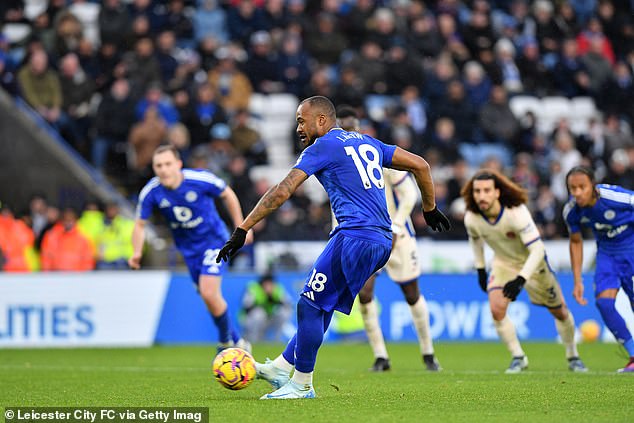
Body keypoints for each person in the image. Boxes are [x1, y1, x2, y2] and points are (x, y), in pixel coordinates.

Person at [216, 96, 450, 399]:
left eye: (302, 120)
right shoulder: (369, 143)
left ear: (322, 120)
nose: (298, 127)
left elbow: (282, 191)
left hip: (354, 236)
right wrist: (429, 208)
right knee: (320, 306)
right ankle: (280, 367)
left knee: (308, 304)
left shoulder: (323, 146)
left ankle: (301, 384)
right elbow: (421, 164)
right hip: (381, 240)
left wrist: (243, 228)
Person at [336, 105, 440, 372]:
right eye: (342, 127)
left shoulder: (372, 153)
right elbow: (337, 204)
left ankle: (428, 353)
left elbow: (408, 194)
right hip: (364, 237)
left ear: (357, 127)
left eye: (350, 126)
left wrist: (395, 227)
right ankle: (381, 357)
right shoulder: (335, 160)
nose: (346, 131)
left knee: (411, 294)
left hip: (397, 236)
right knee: (365, 292)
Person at [461, 169, 587, 373]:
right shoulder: (472, 218)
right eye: (477, 191)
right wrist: (481, 269)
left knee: (560, 311)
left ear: (497, 193)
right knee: (496, 309)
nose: (481, 196)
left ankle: (573, 355)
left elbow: (538, 249)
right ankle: (518, 357)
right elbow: (475, 240)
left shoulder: (516, 212)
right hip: (503, 263)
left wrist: (521, 279)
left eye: (486, 190)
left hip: (534, 264)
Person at [129, 145, 252, 352]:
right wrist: (136, 252)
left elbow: (227, 194)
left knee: (208, 291)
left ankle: (225, 344)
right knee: (209, 297)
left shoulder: (200, 180)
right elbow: (139, 224)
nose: (163, 169)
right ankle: (238, 341)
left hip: (215, 242)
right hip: (189, 251)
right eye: (158, 165)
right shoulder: (151, 192)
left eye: (168, 164)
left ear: (178, 164)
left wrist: (242, 228)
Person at [563, 166, 634, 373]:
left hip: (631, 249)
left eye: (581, 187)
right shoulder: (572, 212)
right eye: (572, 188)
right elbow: (575, 242)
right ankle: (633, 355)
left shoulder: (614, 197)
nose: (577, 193)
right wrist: (577, 281)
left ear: (593, 186)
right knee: (604, 303)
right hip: (607, 255)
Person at [241, 273, 292, 342]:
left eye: (270, 283)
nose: (268, 286)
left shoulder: (277, 289)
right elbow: (246, 307)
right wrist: (263, 301)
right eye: (266, 283)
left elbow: (288, 304)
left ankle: (277, 340)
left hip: (269, 319)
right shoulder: (254, 288)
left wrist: (273, 298)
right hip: (250, 320)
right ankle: (253, 341)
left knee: (283, 312)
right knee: (259, 314)